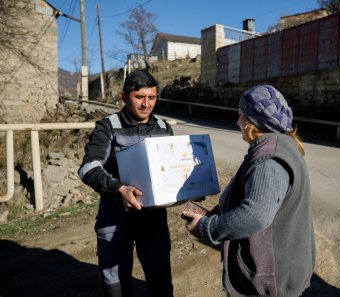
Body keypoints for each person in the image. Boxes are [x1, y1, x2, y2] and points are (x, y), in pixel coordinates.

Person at [183, 85, 316, 297]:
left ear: (253, 122)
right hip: (281, 266)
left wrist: (208, 228)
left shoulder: (269, 160)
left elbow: (255, 215)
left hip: (272, 279)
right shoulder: (281, 144)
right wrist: (220, 211)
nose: (237, 122)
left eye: (241, 116)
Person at [78, 70, 174, 297]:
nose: (146, 104)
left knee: (160, 280)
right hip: (115, 218)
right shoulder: (107, 126)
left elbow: (171, 167)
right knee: (116, 285)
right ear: (123, 97)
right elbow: (88, 168)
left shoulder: (164, 127)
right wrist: (119, 189)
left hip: (153, 219)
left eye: (151, 97)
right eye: (139, 97)